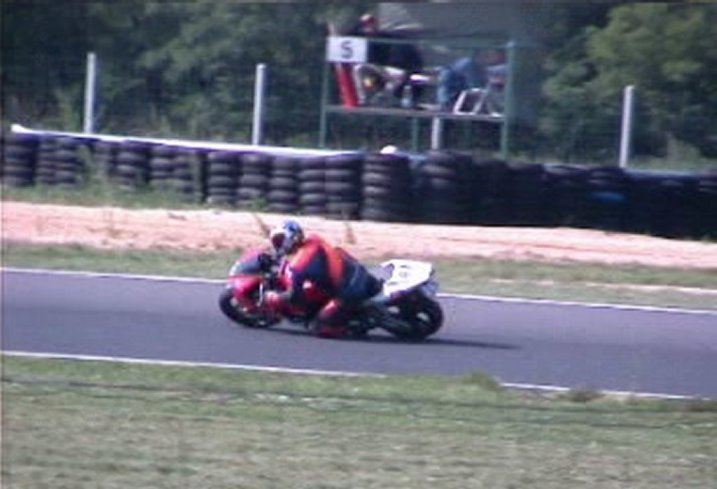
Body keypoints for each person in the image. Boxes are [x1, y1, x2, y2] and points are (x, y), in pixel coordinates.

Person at [263, 220, 382, 339]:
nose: (279, 244)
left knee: (318, 327)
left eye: (281, 240)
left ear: (292, 237)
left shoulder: (299, 265)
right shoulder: (314, 239)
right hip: (354, 269)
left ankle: (350, 329)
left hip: (348, 290)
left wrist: (275, 298)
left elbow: (295, 296)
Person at [349, 13, 424, 106]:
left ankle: (382, 98)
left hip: (389, 69)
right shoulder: (362, 37)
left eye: (371, 24)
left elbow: (407, 57)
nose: (369, 27)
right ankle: (364, 99)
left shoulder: (385, 36)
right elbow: (348, 36)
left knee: (400, 76)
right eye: (366, 25)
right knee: (358, 68)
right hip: (374, 68)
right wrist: (360, 23)